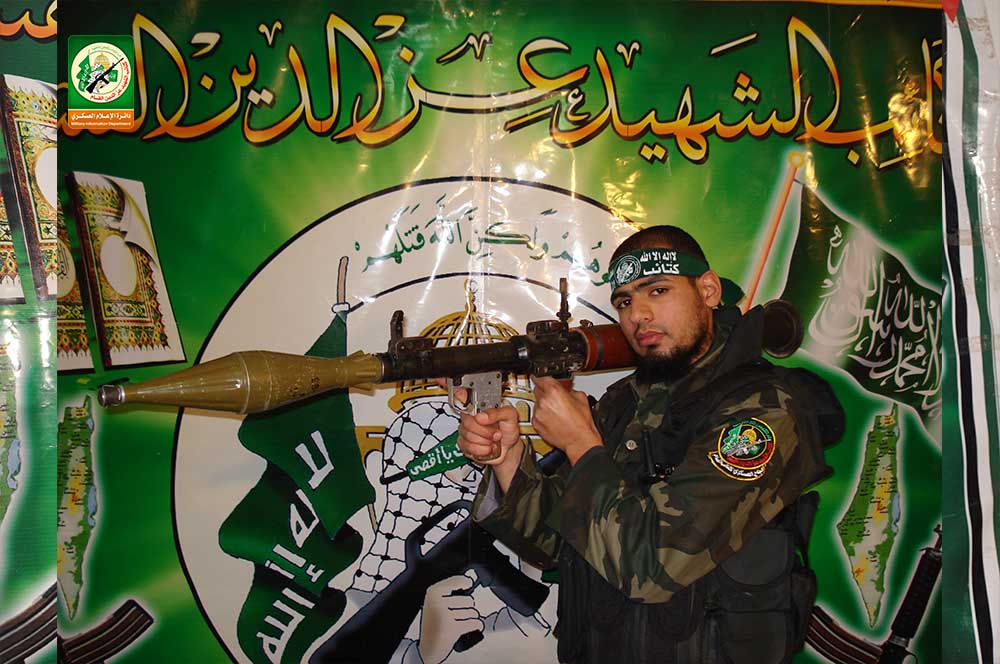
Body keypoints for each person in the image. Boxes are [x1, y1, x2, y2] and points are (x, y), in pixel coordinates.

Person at [454, 225, 841, 664]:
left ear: (708, 290)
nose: (638, 314)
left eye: (657, 290)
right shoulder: (624, 403)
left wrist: (582, 444)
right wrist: (509, 460)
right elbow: (559, 545)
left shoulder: (763, 412)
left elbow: (653, 567)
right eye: (623, 302)